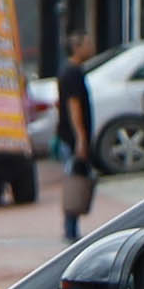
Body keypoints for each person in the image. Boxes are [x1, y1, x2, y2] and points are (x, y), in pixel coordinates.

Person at [56, 31, 98, 242]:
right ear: (76, 47)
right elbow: (74, 106)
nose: (91, 46)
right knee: (74, 181)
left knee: (76, 178)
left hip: (69, 135)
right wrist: (80, 138)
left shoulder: (71, 70)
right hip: (72, 138)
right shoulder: (72, 73)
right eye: (87, 43)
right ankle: (70, 229)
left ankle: (71, 227)